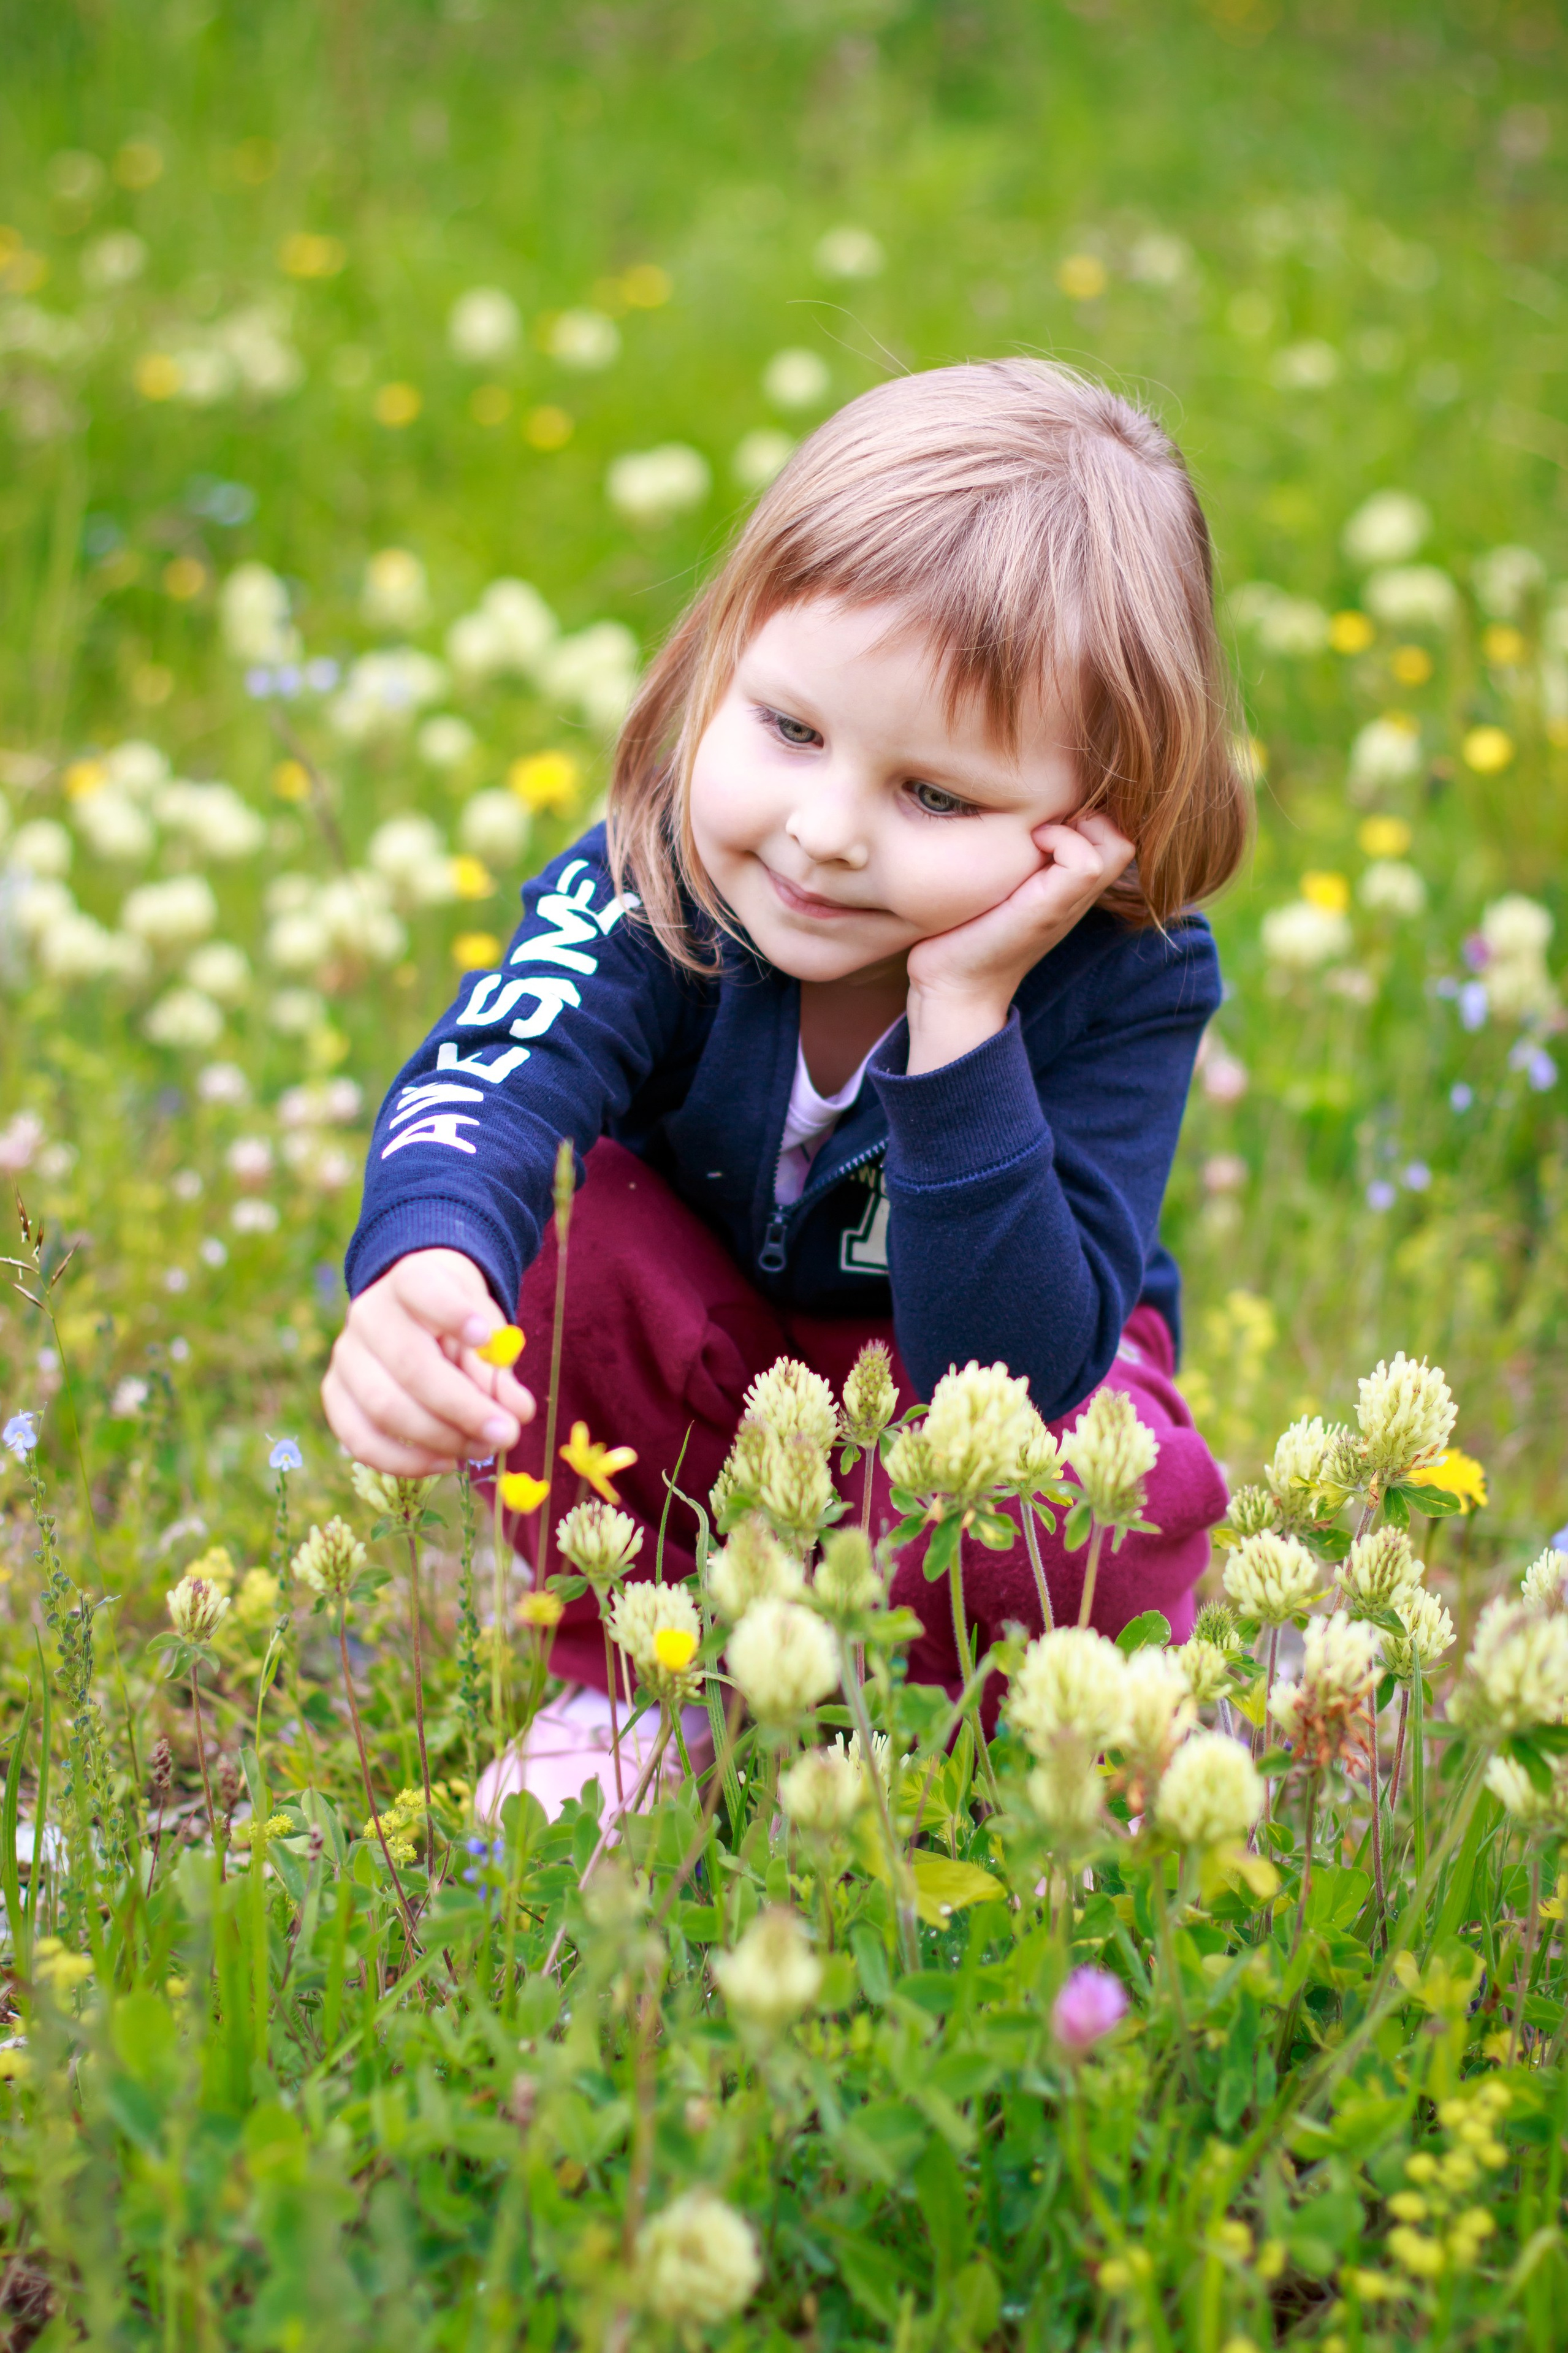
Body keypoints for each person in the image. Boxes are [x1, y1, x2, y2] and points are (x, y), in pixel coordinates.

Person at [325, 357, 1246, 1818]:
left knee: (1084, 1504)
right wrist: (428, 1253)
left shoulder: (1124, 983)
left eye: (935, 797)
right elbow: (501, 1069)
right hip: (720, 1380)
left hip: (973, 1422)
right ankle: (645, 1672)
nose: (822, 835)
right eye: (790, 731)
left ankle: (996, 1732)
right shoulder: (662, 884)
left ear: (1099, 826)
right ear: (717, 664)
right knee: (574, 1241)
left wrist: (966, 1014)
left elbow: (1000, 1383)